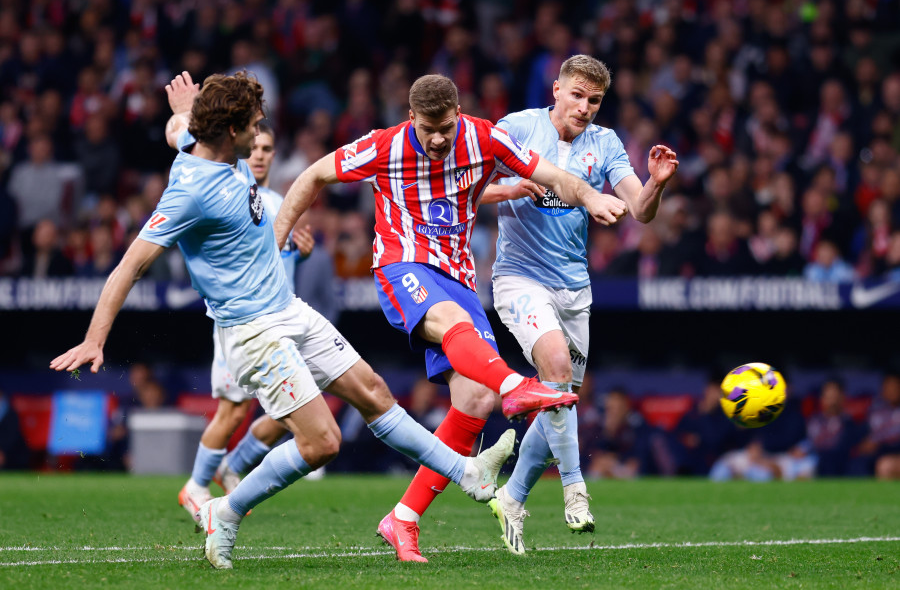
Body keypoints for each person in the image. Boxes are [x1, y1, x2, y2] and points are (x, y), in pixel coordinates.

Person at [50, 71, 517, 570]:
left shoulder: (206, 143)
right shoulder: (189, 192)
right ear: (232, 132)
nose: (261, 137)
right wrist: (95, 339)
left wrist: (182, 110)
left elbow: (179, 131)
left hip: (288, 308)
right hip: (253, 328)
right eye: (254, 125)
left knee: (375, 393)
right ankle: (224, 512)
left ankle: (469, 476)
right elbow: (131, 264)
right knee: (322, 443)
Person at [272, 73, 631, 562]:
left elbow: (553, 176)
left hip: (458, 276)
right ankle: (514, 385)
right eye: (427, 128)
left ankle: (403, 519)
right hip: (404, 264)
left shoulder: (484, 137)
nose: (438, 138)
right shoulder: (385, 146)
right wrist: (275, 242)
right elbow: (312, 175)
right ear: (411, 117)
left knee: (475, 400)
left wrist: (589, 196)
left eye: (445, 126)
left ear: (457, 114)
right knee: (465, 343)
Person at [484, 55, 678, 555]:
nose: (585, 107)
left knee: (559, 399)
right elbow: (466, 186)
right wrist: (508, 188)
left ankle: (512, 497)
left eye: (594, 100)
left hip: (575, 290)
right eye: (577, 95)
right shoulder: (517, 128)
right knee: (555, 371)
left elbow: (640, 211)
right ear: (556, 90)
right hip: (519, 279)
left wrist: (655, 183)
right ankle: (575, 489)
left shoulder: (606, 143)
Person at [178, 119, 316, 518]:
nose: (259, 155)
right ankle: (196, 485)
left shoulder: (278, 201)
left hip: (279, 319)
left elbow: (278, 260)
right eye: (254, 148)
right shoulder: (232, 191)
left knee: (292, 409)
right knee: (233, 410)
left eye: (268, 149)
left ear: (275, 155)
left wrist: (299, 254)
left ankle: (233, 466)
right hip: (241, 321)